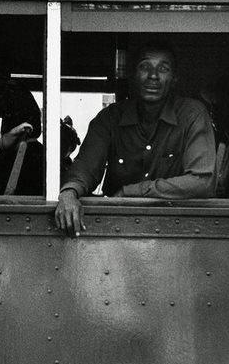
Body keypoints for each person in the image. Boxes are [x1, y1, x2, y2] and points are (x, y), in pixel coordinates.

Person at [55, 41, 217, 237]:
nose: (153, 76)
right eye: (145, 67)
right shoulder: (109, 118)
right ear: (133, 75)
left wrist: (131, 191)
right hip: (116, 229)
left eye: (163, 69)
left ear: (174, 79)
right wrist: (69, 193)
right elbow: (85, 167)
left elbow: (202, 181)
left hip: (176, 231)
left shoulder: (192, 115)